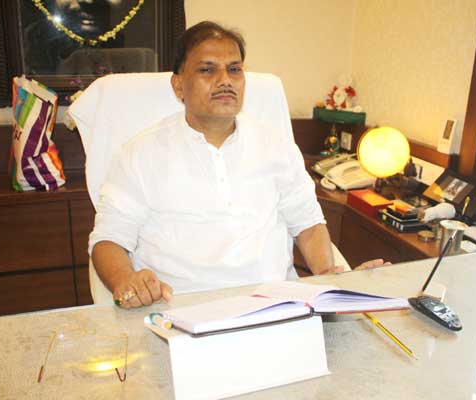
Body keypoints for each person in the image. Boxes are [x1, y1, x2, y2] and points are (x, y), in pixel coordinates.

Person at [90, 21, 386, 308]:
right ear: (179, 86)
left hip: (273, 309)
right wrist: (126, 280)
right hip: (177, 312)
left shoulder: (277, 146)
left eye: (234, 69)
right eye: (207, 69)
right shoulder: (139, 154)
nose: (225, 80)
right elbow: (108, 240)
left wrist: (327, 278)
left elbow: (308, 225)